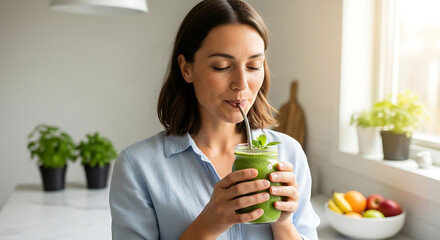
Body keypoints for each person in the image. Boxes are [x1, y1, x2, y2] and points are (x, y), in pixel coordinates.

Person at [109, 0, 320, 239]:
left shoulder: (289, 154)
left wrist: (283, 224)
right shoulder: (138, 167)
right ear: (186, 68)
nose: (241, 84)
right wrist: (210, 223)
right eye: (221, 66)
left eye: (253, 65)